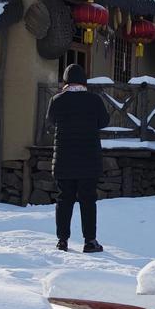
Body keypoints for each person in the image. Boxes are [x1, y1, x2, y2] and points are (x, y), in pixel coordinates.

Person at [47, 63, 108, 252]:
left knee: (64, 200)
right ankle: (90, 241)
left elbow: (50, 121)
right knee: (88, 200)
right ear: (84, 81)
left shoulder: (57, 100)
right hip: (88, 160)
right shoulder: (94, 100)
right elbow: (104, 121)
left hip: (64, 159)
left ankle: (62, 240)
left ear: (65, 81)